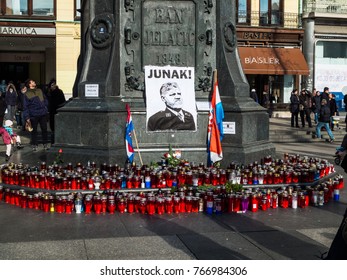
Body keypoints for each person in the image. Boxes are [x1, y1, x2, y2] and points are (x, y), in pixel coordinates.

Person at [23, 79, 49, 151]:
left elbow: (45, 99)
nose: (34, 82)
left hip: (42, 113)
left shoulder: (39, 90)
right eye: (32, 82)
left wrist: (45, 106)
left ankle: (45, 143)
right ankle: (34, 144)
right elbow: (25, 107)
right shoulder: (27, 94)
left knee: (44, 129)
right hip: (33, 114)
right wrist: (27, 117)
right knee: (34, 131)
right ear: (29, 84)